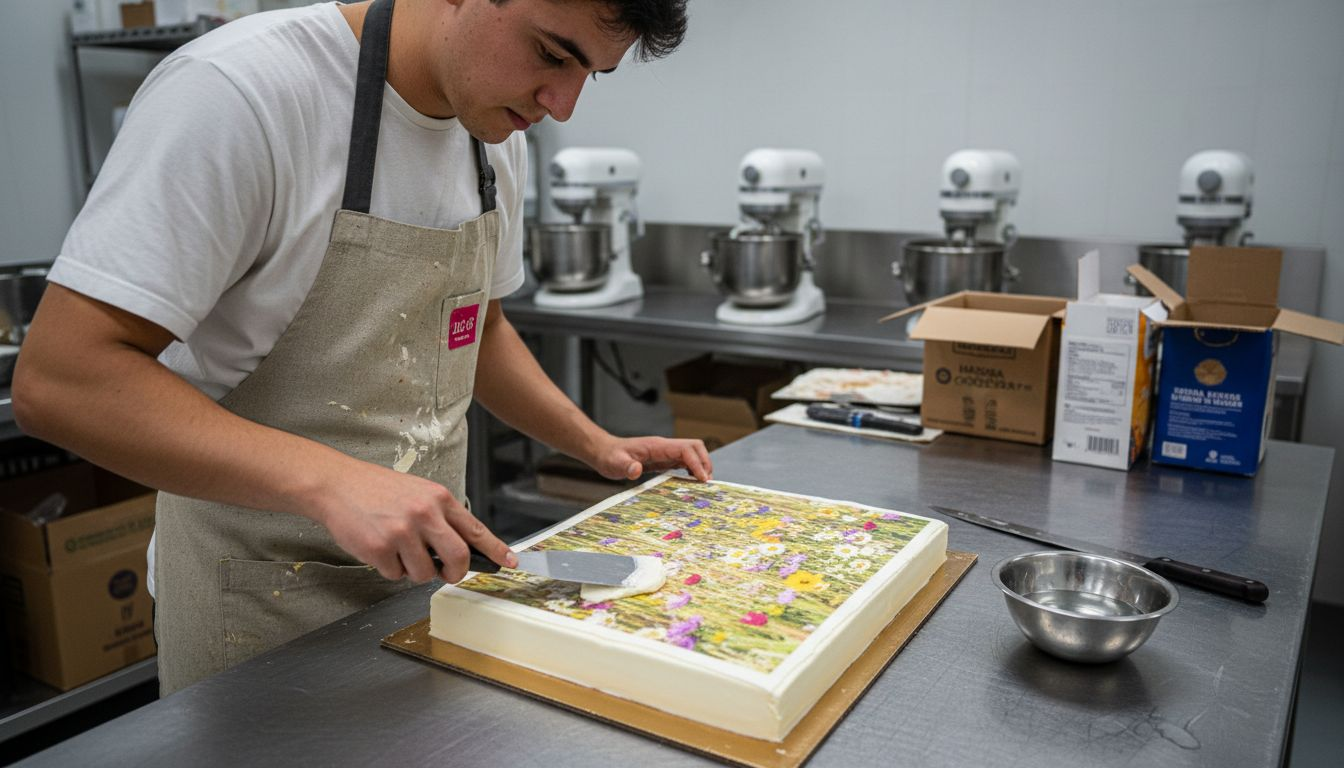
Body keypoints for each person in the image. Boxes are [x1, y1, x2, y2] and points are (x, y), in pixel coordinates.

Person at [12, 0, 705, 695]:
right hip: (256, 609)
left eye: (594, 72)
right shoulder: (242, 93)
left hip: (425, 588)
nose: (562, 106)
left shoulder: (494, 133)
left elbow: (476, 330)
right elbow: (63, 381)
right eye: (553, 55)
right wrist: (333, 482)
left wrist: (594, 444)